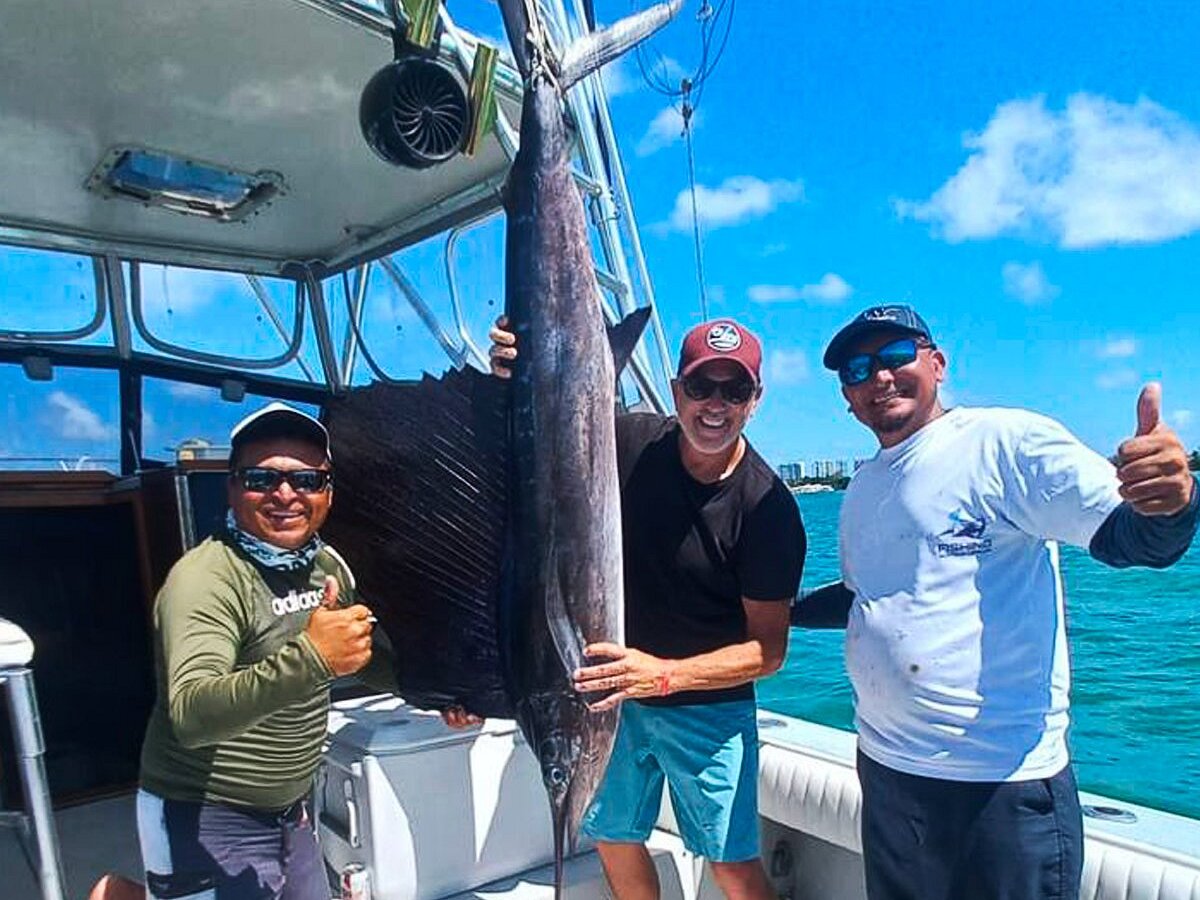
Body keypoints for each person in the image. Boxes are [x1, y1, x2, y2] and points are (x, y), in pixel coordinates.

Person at [803, 304, 1199, 900]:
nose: (878, 377)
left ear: (937, 364)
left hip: (999, 787)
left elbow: (1134, 540)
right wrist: (763, 609)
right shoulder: (865, 484)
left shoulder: (1005, 442)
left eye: (894, 357)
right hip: (887, 775)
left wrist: (1173, 500)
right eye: (857, 370)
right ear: (847, 398)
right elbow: (872, 599)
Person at [487, 317, 806, 900]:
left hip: (707, 709)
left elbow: (769, 651)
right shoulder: (627, 441)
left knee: (730, 864)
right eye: (700, 386)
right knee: (614, 838)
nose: (715, 405)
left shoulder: (768, 509)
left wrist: (660, 676)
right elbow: (553, 424)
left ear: (754, 401)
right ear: (676, 388)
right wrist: (515, 374)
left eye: (733, 390)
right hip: (612, 699)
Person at [136, 402, 388, 900]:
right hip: (203, 812)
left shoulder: (327, 565)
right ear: (232, 487)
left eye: (307, 481)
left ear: (328, 492)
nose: (286, 495)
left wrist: (443, 696)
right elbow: (190, 714)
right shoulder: (204, 578)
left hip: (292, 810)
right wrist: (312, 657)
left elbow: (358, 653)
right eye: (261, 479)